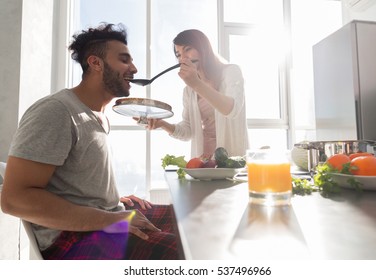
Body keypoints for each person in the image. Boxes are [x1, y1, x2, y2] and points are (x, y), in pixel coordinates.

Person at [0, 23, 181, 260]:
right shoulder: (56, 111)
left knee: (188, 221)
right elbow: (14, 199)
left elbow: (74, 179)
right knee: (184, 248)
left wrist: (111, 200)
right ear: (96, 63)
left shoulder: (97, 116)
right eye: (124, 60)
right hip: (73, 240)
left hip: (101, 217)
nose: (134, 68)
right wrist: (113, 218)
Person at [146, 29, 249, 159]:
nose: (183, 58)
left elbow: (232, 109)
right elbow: (188, 131)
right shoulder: (189, 91)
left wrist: (196, 83)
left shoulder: (231, 72)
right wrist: (162, 124)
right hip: (203, 161)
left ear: (203, 48)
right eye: (178, 54)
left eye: (188, 49)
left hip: (232, 162)